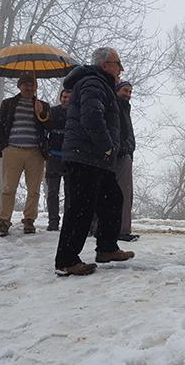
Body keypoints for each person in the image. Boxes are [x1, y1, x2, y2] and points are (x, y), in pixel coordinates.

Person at [54, 47, 134, 276]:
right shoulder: (93, 83)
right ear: (105, 65)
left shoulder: (100, 84)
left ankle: (107, 248)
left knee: (112, 200)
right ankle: (66, 260)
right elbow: (92, 117)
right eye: (118, 64)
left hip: (97, 159)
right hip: (85, 157)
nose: (121, 69)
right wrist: (107, 145)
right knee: (80, 208)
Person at [0, 75, 51, 236]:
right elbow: (0, 126)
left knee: (34, 190)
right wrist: (4, 147)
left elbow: (49, 126)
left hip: (35, 152)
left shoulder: (42, 105)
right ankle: (4, 221)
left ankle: (29, 220)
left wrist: (41, 113)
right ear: (19, 86)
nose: (29, 88)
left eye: (32, 85)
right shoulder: (8, 103)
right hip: (13, 150)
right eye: (26, 85)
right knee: (8, 188)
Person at [112, 81, 139, 242]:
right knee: (122, 193)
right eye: (125, 90)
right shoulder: (115, 107)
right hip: (119, 155)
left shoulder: (124, 108)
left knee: (125, 194)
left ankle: (121, 228)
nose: (128, 94)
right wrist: (124, 148)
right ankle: (121, 230)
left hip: (124, 154)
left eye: (130, 91)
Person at [44, 88, 71, 231]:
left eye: (69, 97)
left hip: (71, 158)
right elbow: (45, 129)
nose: (66, 100)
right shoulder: (52, 112)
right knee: (52, 191)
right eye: (64, 97)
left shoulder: (77, 114)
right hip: (54, 156)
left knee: (70, 192)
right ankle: (53, 221)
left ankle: (68, 221)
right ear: (61, 98)